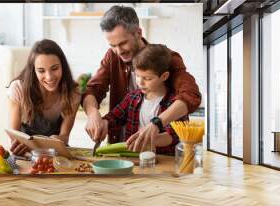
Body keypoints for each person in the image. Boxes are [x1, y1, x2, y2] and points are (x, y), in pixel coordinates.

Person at [82, 5, 201, 151]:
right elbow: (93, 90)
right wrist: (94, 115)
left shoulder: (166, 58)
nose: (118, 51)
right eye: (113, 45)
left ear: (138, 33)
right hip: (123, 146)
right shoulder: (112, 56)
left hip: (161, 152)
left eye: (123, 43)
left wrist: (156, 124)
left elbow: (190, 95)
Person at [101, 44, 188, 154]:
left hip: (161, 159)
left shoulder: (174, 103)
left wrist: (145, 139)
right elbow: (114, 117)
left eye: (147, 78)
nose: (140, 82)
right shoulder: (132, 97)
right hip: (133, 157)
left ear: (164, 76)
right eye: (137, 76)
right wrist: (103, 123)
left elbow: (173, 136)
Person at [7, 39, 81, 156]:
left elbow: (65, 135)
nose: (49, 77)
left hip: (55, 153)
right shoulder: (18, 89)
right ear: (33, 71)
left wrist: (59, 139)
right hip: (26, 154)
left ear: (62, 66)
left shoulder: (73, 93)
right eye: (41, 71)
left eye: (54, 68)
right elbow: (13, 135)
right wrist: (15, 145)